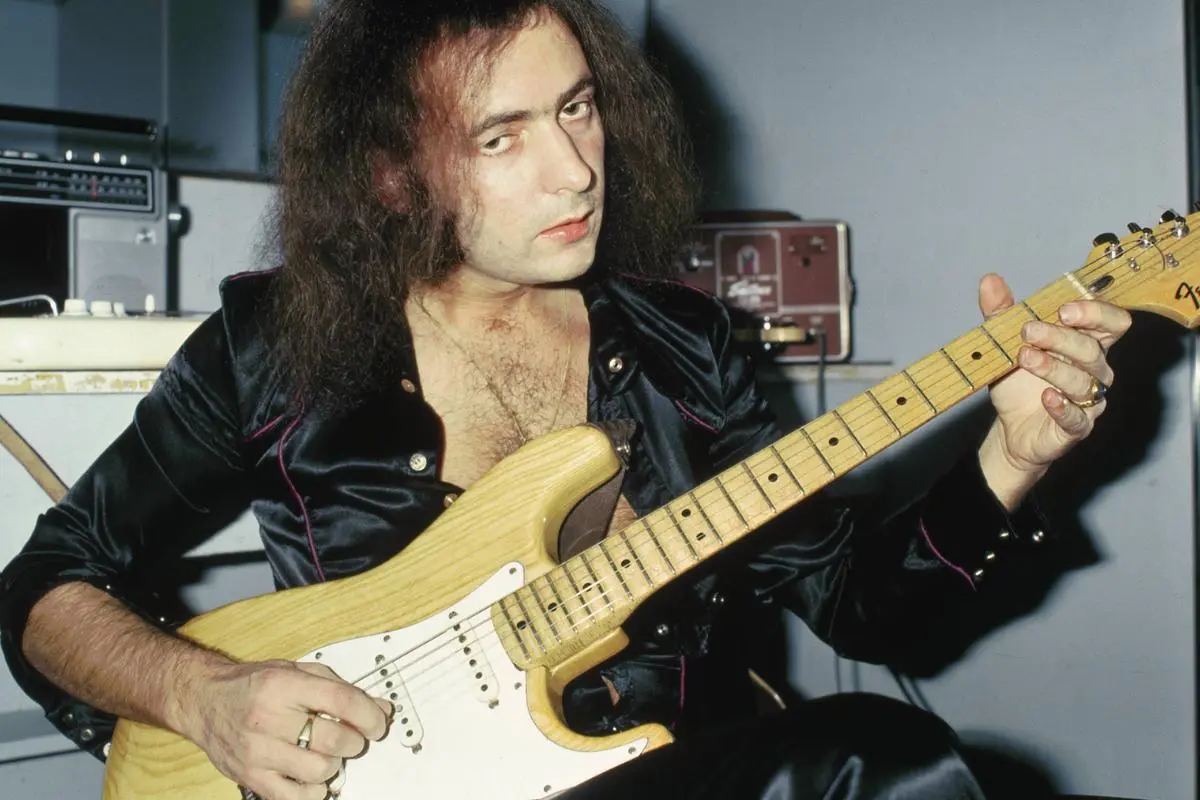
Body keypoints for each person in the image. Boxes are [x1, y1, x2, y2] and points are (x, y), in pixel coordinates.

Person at [0, 1, 1132, 798]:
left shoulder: (684, 347)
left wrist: (1011, 458)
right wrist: (200, 695)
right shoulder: (271, 346)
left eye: (578, 108)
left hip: (662, 764)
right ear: (390, 173)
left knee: (895, 760)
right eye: (502, 136)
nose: (577, 169)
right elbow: (47, 583)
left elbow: (864, 610)